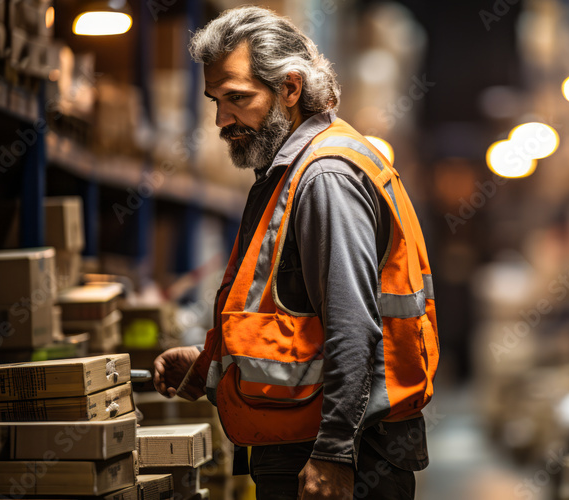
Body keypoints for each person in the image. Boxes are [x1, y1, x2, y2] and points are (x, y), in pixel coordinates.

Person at [151, 7, 439, 500]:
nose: (223, 120)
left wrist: (334, 454)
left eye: (237, 99)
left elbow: (353, 325)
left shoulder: (325, 177)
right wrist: (209, 366)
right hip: (307, 443)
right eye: (215, 101)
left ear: (289, 88)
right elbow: (294, 320)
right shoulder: (290, 171)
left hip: (335, 456)